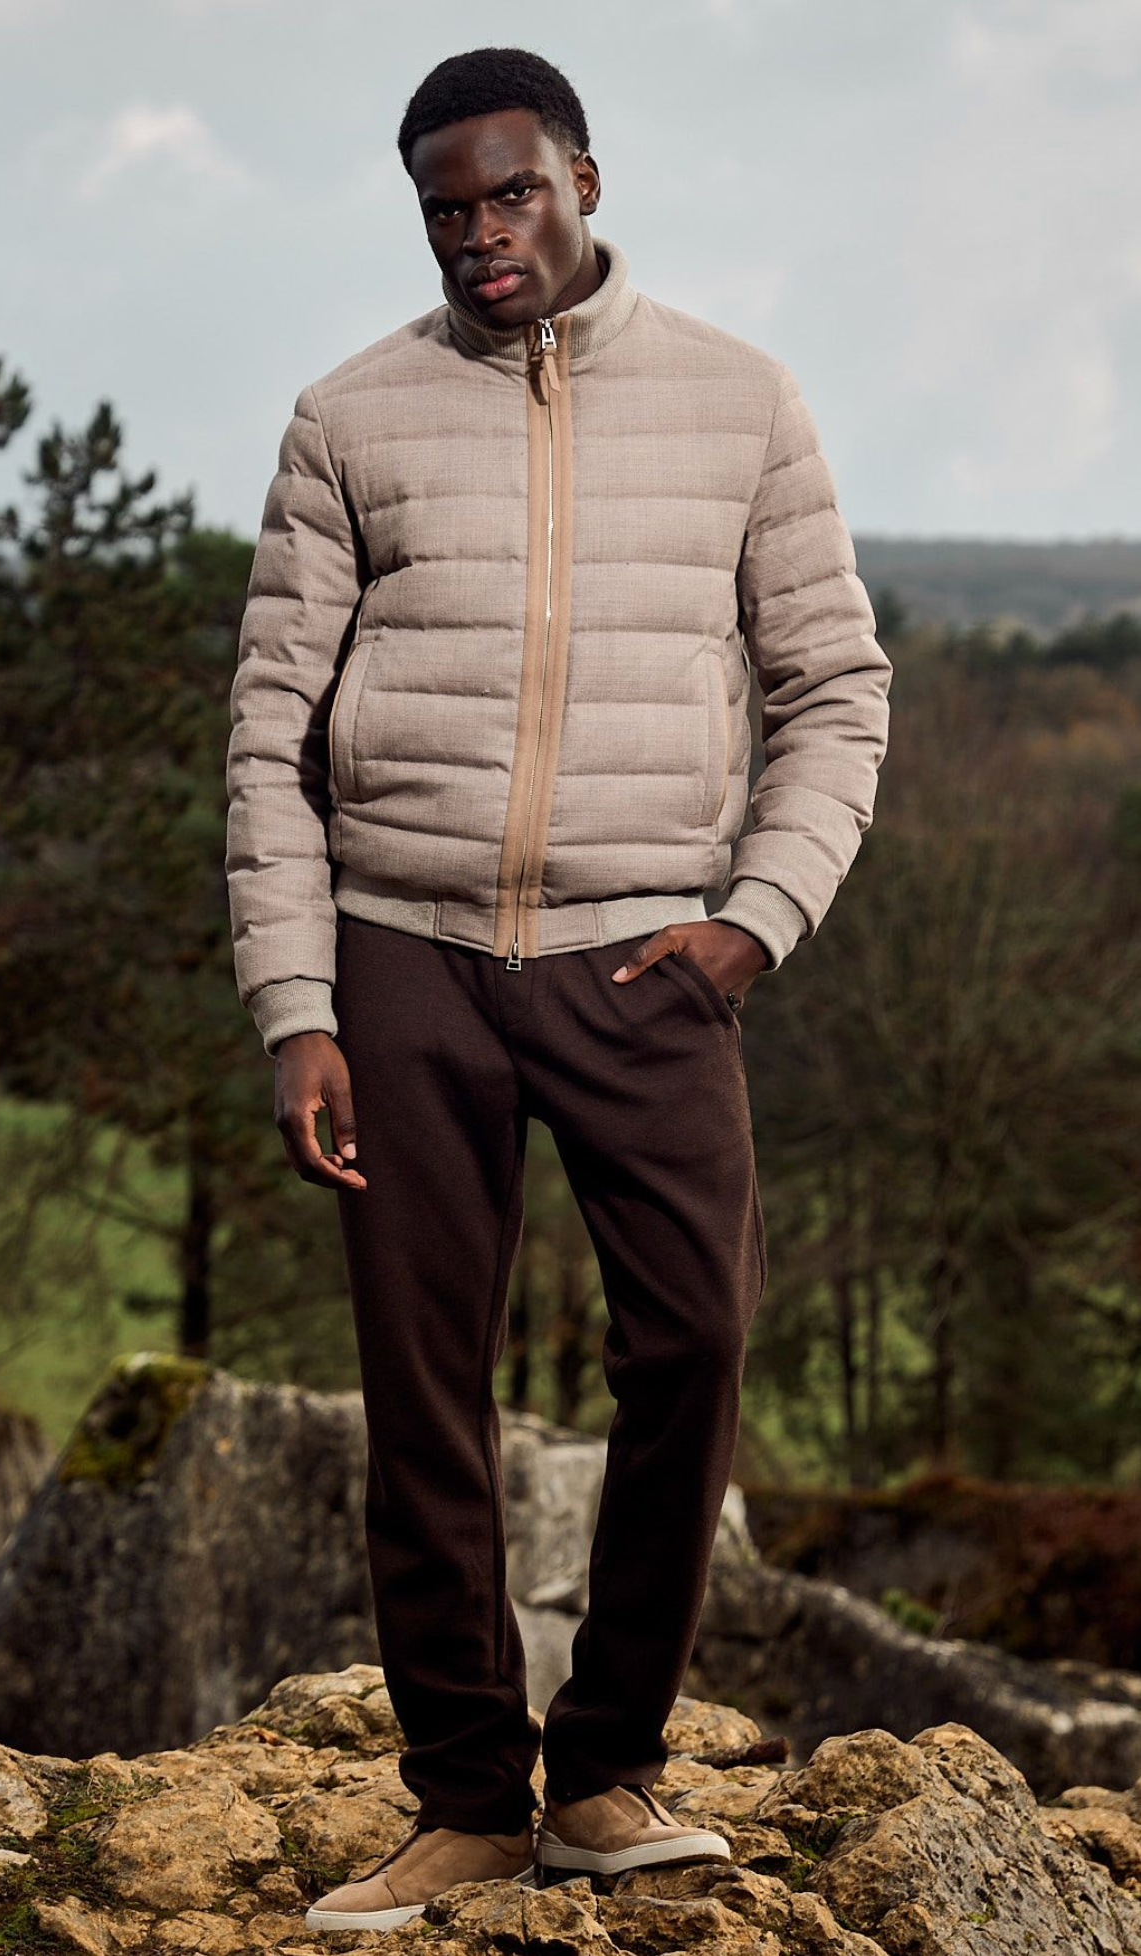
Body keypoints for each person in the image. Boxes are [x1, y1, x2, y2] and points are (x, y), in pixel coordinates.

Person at [225, 44, 892, 1936]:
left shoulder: (740, 400)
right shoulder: (348, 415)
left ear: (583, 179)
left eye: (509, 193)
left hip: (645, 959)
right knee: (421, 1391)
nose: (477, 233)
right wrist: (300, 1005)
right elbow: (270, 736)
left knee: (692, 1337)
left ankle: (603, 1772)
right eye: (443, 206)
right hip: (403, 959)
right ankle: (462, 1800)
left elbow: (834, 686)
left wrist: (758, 915)